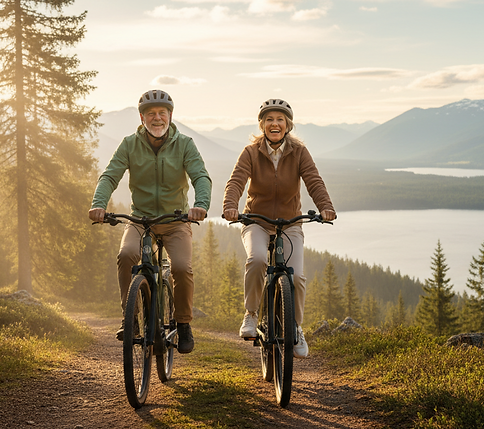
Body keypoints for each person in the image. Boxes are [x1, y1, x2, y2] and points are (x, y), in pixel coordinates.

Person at [89, 89, 210, 354]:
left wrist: (200, 205)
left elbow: (200, 176)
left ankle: (183, 322)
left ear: (170, 116)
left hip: (176, 220)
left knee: (181, 267)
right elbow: (110, 176)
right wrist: (99, 204)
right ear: (142, 118)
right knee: (126, 255)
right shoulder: (129, 144)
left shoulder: (185, 144)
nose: (157, 118)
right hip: (140, 220)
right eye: (151, 114)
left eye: (162, 113)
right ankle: (130, 318)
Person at [222, 98, 336, 358]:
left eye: (280, 120)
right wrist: (230, 206)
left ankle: (295, 327)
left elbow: (314, 181)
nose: (275, 124)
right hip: (257, 222)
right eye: (269, 119)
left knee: (295, 276)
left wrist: (326, 207)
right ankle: (251, 314)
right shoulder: (251, 152)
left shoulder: (299, 152)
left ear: (288, 125)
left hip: (290, 224)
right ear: (262, 125)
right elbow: (236, 180)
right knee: (257, 259)